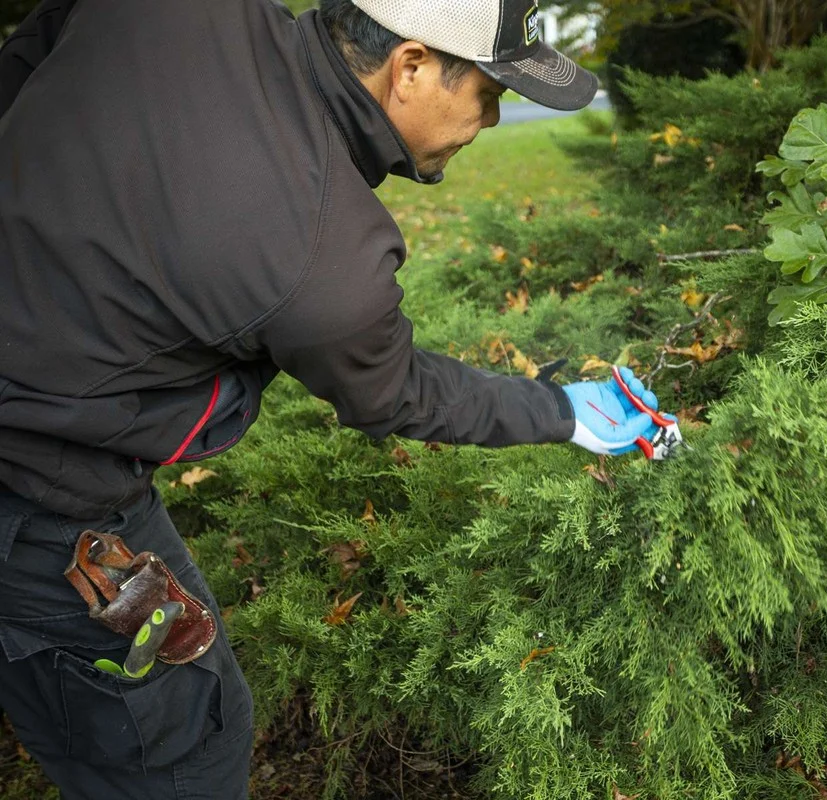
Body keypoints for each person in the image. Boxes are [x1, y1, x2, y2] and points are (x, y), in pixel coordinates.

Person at [0, 0, 672, 796]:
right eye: (489, 95)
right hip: (41, 495)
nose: (491, 121)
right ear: (412, 66)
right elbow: (397, 392)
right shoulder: (323, 252)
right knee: (185, 746)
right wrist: (561, 411)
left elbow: (32, 49)